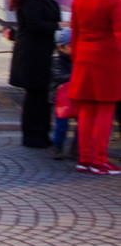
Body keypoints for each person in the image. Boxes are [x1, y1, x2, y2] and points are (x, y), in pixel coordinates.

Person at [69, 0, 121, 175]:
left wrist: (76, 58)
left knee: (87, 109)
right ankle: (100, 159)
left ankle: (84, 159)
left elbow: (75, 34)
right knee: (105, 109)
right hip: (107, 59)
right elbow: (119, 33)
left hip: (83, 57)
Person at [9, 0, 60, 148]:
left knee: (42, 95)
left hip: (42, 52)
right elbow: (35, 24)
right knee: (35, 96)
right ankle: (32, 136)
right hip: (32, 54)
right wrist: (57, 26)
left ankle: (42, 134)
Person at [50, 26, 75, 160]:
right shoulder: (56, 60)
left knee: (81, 122)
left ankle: (76, 147)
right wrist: (75, 75)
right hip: (61, 100)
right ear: (60, 47)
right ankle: (58, 146)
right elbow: (59, 76)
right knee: (62, 125)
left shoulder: (76, 58)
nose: (74, 48)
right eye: (70, 45)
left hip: (75, 96)